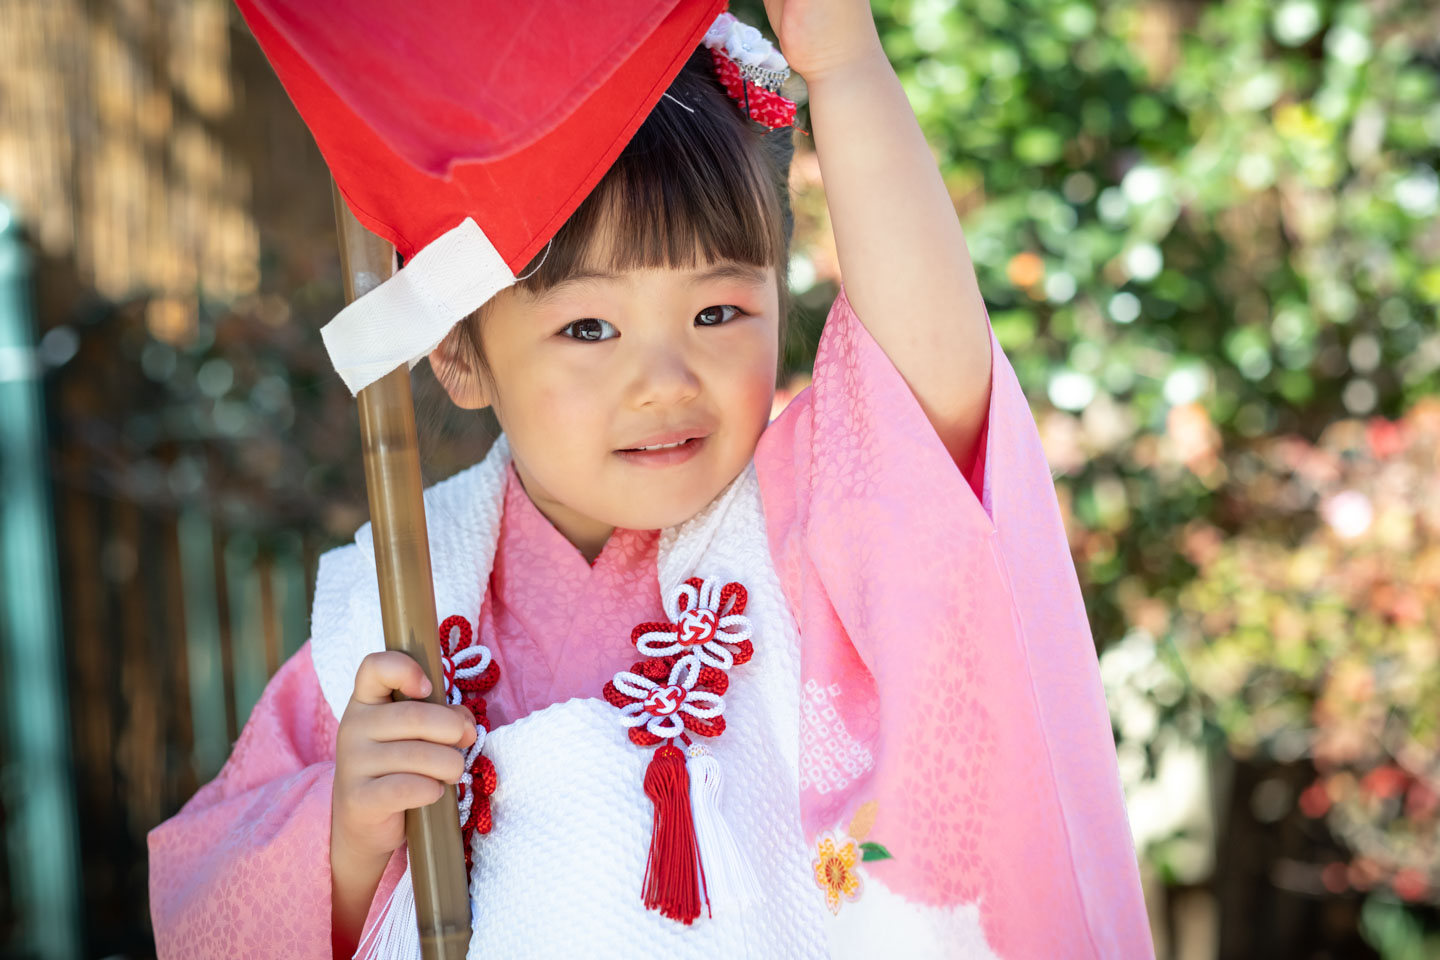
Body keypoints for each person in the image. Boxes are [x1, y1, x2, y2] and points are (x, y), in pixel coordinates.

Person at [149, 4, 1152, 958]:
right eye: (590, 327)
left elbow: (933, 383)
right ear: (459, 355)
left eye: (718, 313)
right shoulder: (386, 620)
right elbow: (209, 914)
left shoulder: (806, 534)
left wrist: (846, 68)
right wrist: (345, 835)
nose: (666, 382)